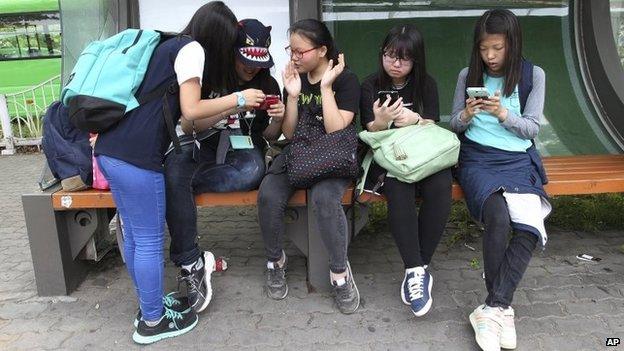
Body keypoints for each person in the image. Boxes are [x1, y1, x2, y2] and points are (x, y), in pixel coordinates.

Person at [93, 2, 265, 344]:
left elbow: (187, 120)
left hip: (112, 151)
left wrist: (223, 108)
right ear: (219, 37)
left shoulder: (166, 46)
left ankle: (150, 306)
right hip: (138, 159)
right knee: (149, 243)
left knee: (137, 239)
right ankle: (153, 323)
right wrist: (239, 100)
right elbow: (192, 108)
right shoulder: (192, 50)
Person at [164, 18, 285, 314]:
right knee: (177, 166)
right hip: (206, 142)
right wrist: (236, 103)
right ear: (233, 52)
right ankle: (177, 194)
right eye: (246, 60)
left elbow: (268, 136)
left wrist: (280, 118)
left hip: (244, 149)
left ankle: (177, 191)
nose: (251, 68)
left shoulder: (267, 83)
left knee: (252, 171)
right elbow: (189, 124)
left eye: (257, 62)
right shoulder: (213, 74)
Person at [449, 9, 551, 351]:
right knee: (498, 216)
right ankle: (500, 308)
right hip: (477, 158)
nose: (489, 56)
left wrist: (503, 113)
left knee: (529, 227)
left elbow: (532, 128)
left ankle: (493, 308)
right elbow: (455, 126)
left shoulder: (532, 74)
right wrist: (466, 114)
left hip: (518, 160)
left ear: (513, 44)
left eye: (497, 48)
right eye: (483, 49)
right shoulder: (468, 74)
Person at [257, 19, 361, 314]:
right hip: (300, 154)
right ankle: (275, 261)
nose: (293, 57)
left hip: (331, 156)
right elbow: (289, 135)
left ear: (322, 50)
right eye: (291, 49)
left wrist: (326, 87)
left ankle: (339, 274)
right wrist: (291, 96)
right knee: (268, 194)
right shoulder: (295, 79)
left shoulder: (345, 80)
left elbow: (335, 130)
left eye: (300, 51)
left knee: (325, 199)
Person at [359, 24, 452, 317]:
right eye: (389, 55)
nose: (395, 64)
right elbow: (367, 133)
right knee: (398, 186)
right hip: (389, 157)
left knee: (441, 185)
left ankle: (420, 268)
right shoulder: (370, 85)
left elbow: (433, 128)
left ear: (416, 60)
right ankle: (415, 269)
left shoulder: (427, 85)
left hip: (424, 155)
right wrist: (381, 121)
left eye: (404, 58)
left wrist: (415, 119)